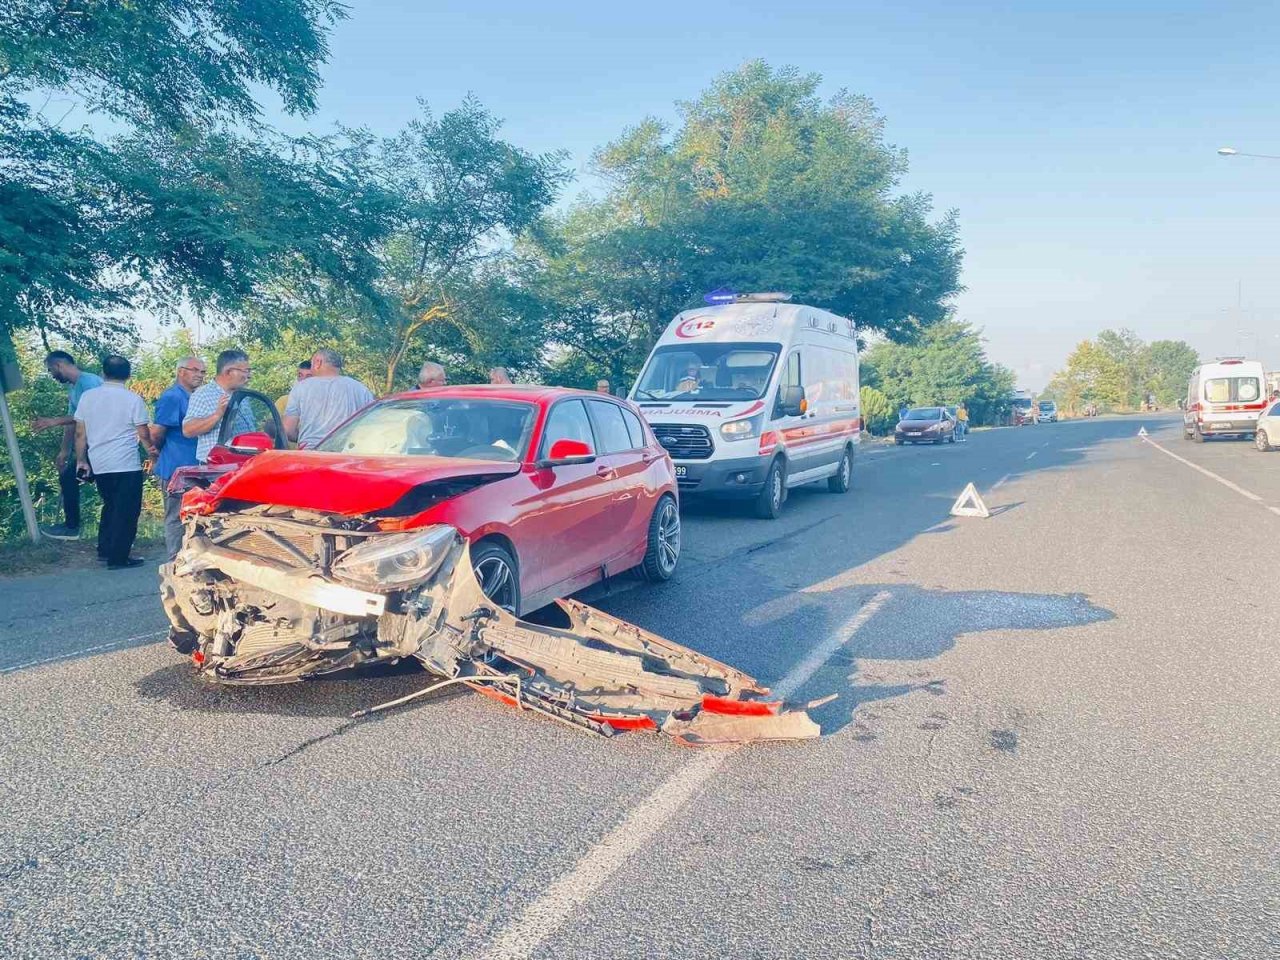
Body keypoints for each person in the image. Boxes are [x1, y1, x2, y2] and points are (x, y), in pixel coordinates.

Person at [73, 355, 154, 569]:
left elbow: (80, 433)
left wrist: (82, 460)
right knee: (126, 511)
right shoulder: (132, 399)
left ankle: (105, 549)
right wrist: (151, 452)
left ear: (103, 372)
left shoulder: (87, 398)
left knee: (110, 505)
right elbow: (143, 432)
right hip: (126, 463)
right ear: (128, 375)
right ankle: (118, 558)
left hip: (100, 462)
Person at [30, 351, 103, 540]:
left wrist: (53, 421)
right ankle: (72, 527)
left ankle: (75, 528)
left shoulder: (90, 382)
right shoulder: (73, 388)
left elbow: (92, 414)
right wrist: (64, 451)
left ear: (59, 366)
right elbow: (74, 422)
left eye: (50, 370)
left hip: (104, 443)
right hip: (89, 444)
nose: (52, 375)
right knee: (69, 477)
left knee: (100, 486)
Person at [150, 356, 206, 560]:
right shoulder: (173, 397)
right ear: (181, 371)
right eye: (195, 370)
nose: (199, 375)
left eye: (202, 372)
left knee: (196, 515)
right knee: (176, 517)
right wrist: (154, 450)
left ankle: (192, 557)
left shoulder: (195, 397)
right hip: (176, 467)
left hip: (196, 467)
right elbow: (157, 432)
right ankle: (175, 560)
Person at [284, 348, 375, 449]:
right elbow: (371, 427)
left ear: (318, 363)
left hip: (310, 453)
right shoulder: (361, 389)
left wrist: (303, 438)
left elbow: (288, 430)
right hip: (347, 454)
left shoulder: (301, 388)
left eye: (312, 363)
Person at [183, 349, 252, 463]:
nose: (249, 375)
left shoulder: (244, 396)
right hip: (216, 469)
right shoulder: (203, 394)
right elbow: (187, 430)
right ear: (229, 372)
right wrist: (217, 415)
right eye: (246, 371)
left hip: (244, 465)